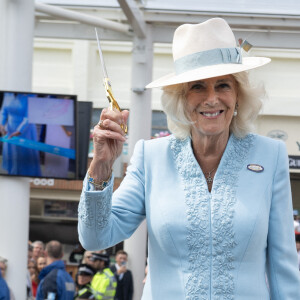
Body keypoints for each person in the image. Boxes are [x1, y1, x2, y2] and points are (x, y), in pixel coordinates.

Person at [78, 17, 300, 299]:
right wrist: (101, 166)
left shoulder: (270, 155)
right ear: (181, 98)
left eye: (223, 85)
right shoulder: (151, 157)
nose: (211, 98)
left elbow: (284, 267)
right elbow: (95, 238)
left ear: (239, 96)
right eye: (197, 86)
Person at [0, 92, 41, 176]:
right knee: (11, 161)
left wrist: (19, 131)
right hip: (10, 130)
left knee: (24, 164)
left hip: (26, 130)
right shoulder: (7, 94)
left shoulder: (31, 95)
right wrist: (1, 125)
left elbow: (28, 117)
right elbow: (3, 111)